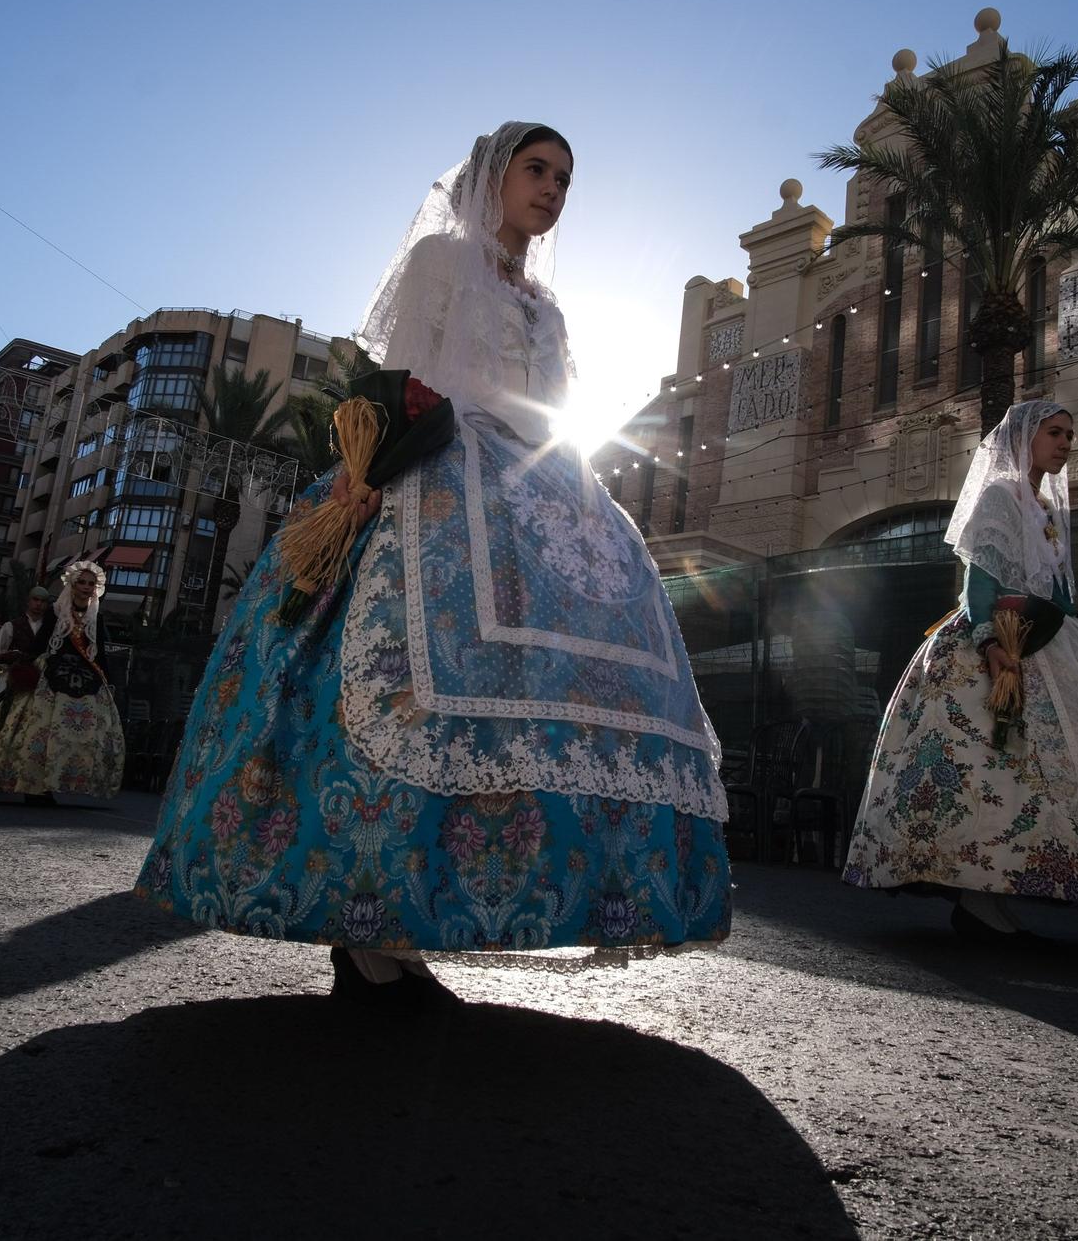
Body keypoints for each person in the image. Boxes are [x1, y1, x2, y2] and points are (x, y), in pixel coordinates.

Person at [134, 122, 732, 1003]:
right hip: (441, 476)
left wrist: (575, 488)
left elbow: (559, 406)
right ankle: (368, 927)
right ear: (494, 175)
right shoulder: (440, 263)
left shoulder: (549, 305)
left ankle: (453, 905)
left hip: (540, 485)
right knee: (401, 673)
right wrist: (375, 474)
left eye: (566, 177)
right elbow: (404, 380)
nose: (554, 189)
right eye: (537, 169)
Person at [841, 400, 1078, 938]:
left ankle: (1026, 883)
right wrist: (991, 642)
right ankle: (973, 887)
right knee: (988, 761)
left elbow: (1059, 591)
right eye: (1055, 433)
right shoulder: (997, 496)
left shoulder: (1048, 511)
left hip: (1049, 637)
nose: (1065, 443)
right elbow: (980, 580)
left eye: (1070, 435)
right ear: (1025, 439)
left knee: (1075, 755)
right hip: (995, 640)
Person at [0, 561, 123, 804]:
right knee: (39, 730)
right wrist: (23, 661)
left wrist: (108, 681)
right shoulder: (56, 612)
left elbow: (99, 653)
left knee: (89, 733)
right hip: (53, 674)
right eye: (82, 582)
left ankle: (67, 780)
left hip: (86, 678)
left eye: (91, 584)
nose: (86, 587)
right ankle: (35, 785)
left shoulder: (96, 618)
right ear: (72, 584)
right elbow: (41, 643)